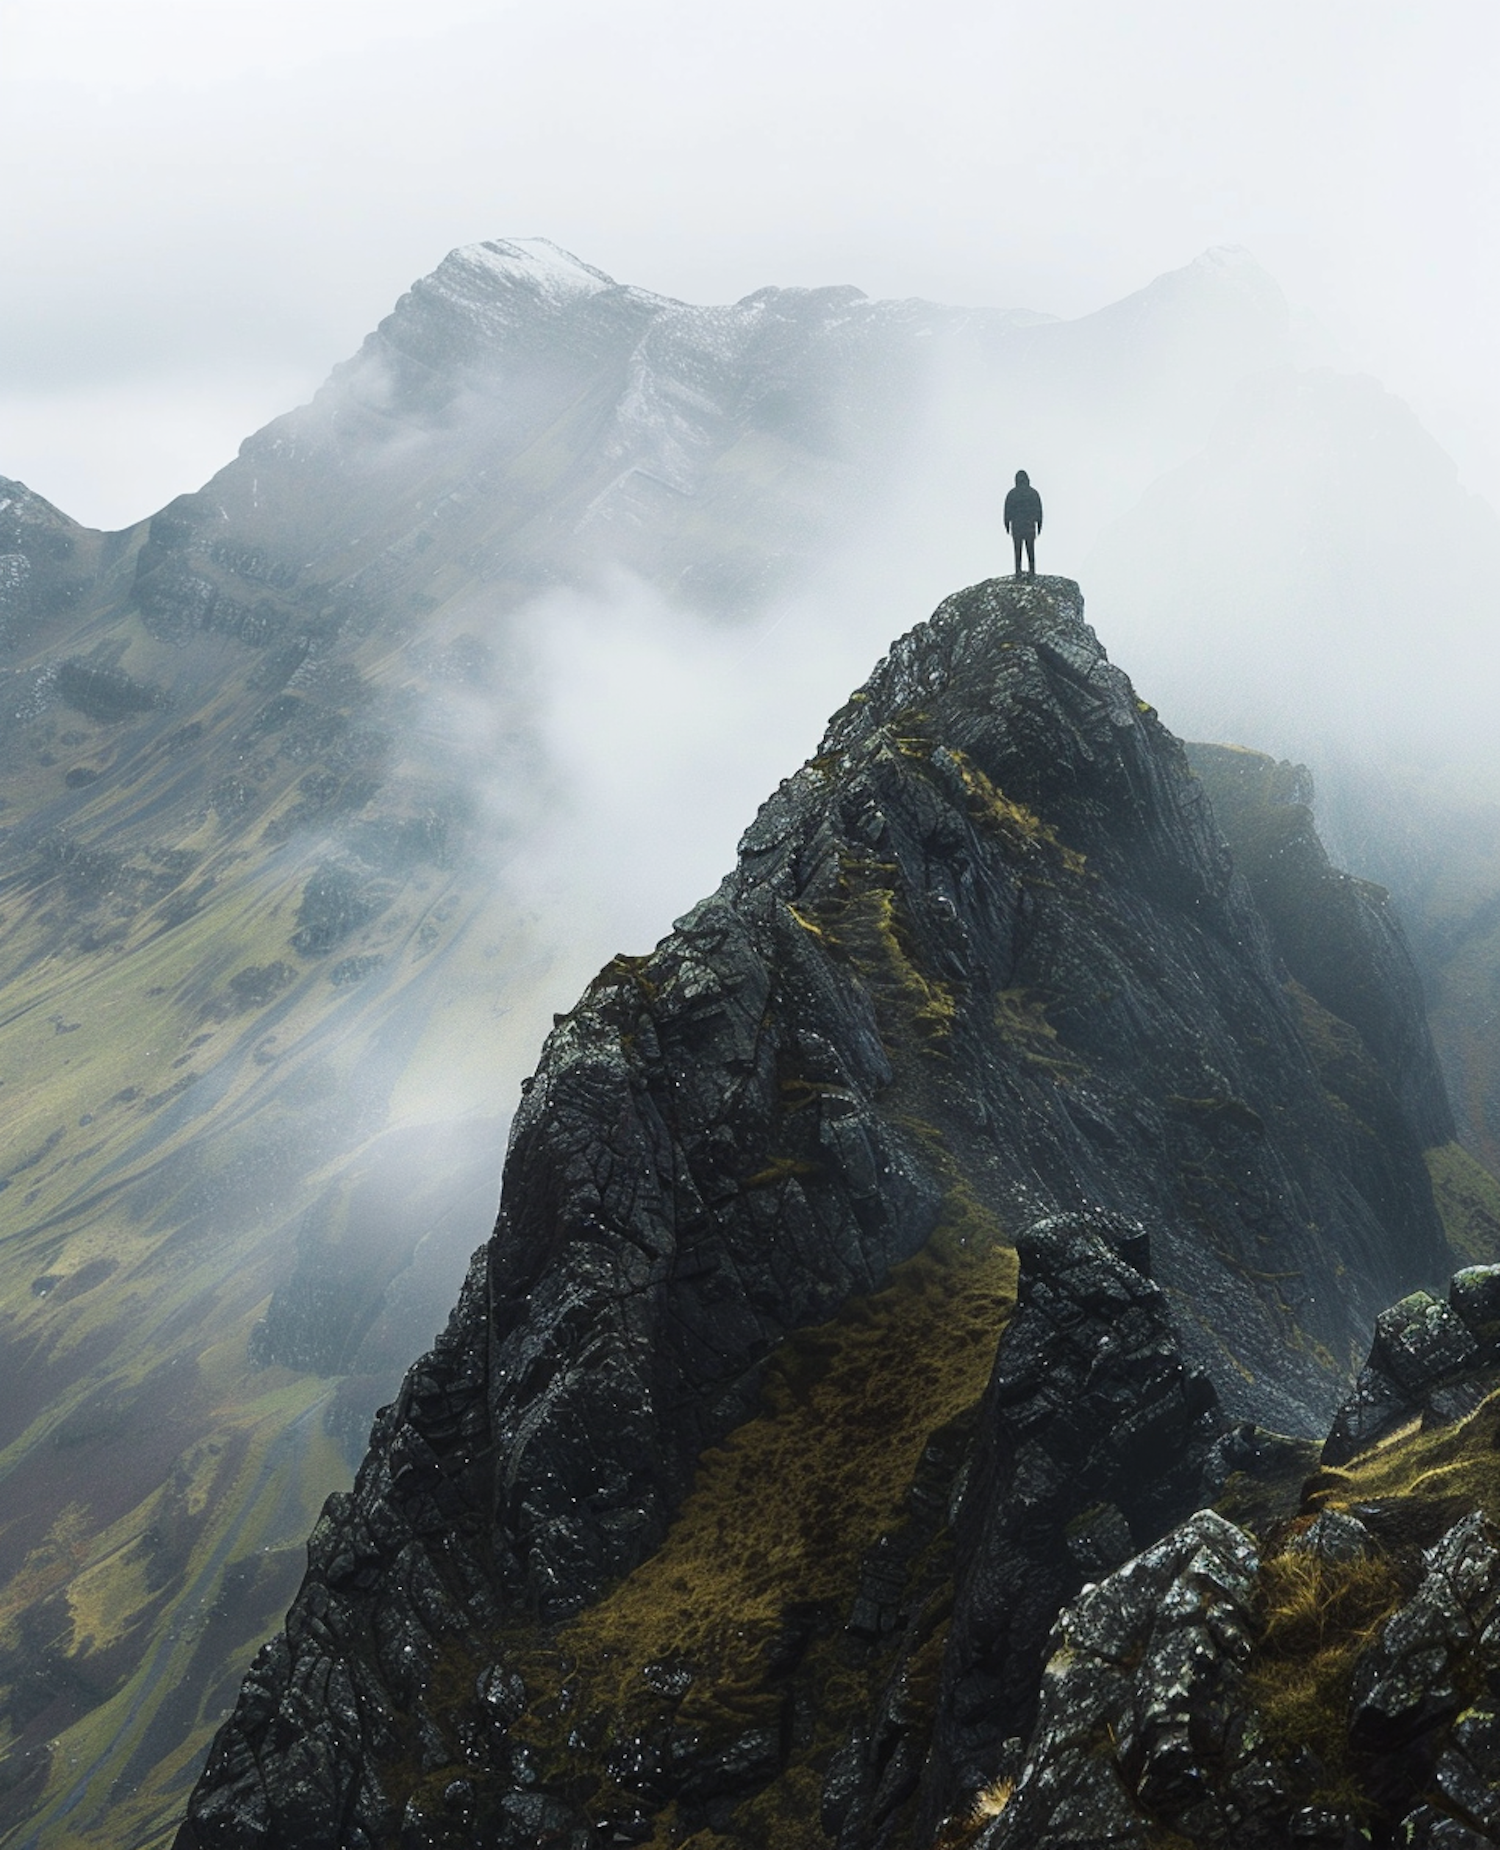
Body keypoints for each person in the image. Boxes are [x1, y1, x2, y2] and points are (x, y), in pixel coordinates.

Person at [1004, 469, 1043, 576]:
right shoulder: (1033, 493)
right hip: (1029, 526)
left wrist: (1007, 524)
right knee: (1030, 548)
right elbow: (1038, 510)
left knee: (1018, 549)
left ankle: (1018, 570)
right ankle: (1032, 570)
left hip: (1017, 526)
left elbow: (1007, 510)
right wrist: (1039, 524)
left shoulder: (1012, 494)